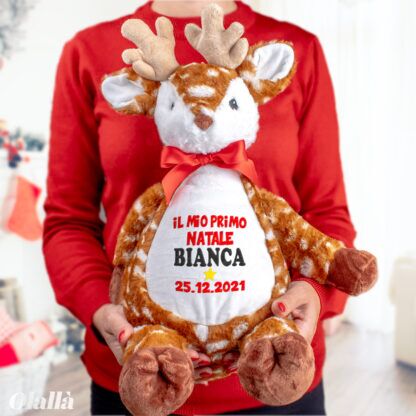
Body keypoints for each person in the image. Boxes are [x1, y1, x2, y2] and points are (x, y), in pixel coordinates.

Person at [43, 1, 356, 414]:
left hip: (277, 370)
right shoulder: (88, 53)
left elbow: (327, 211)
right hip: (142, 375)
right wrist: (104, 309)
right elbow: (67, 221)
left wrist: (314, 293)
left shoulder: (298, 49)